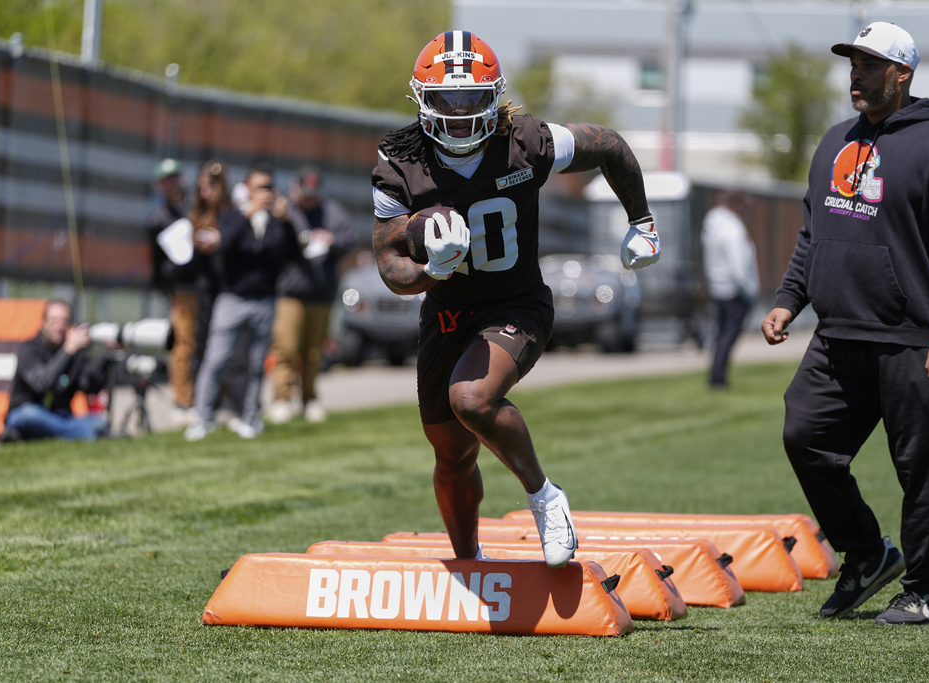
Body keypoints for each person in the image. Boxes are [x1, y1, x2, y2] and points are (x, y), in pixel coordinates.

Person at [371, 30, 660, 568]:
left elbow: (609, 144)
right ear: (421, 101)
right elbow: (390, 265)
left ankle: (544, 497)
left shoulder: (527, 141)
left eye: (472, 99)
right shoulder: (400, 159)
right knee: (451, 454)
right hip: (447, 311)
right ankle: (469, 563)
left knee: (471, 400)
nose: (458, 114)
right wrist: (431, 269)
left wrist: (641, 220)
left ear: (496, 96)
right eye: (444, 100)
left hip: (516, 304)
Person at [761, 22, 929, 625]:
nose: (855, 74)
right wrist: (789, 298)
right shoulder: (835, 140)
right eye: (852, 63)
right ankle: (865, 553)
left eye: (869, 64)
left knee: (924, 473)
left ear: (902, 75)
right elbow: (815, 233)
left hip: (913, 343)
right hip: (838, 338)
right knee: (804, 436)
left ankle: (924, 590)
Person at [185, 163, 301, 441]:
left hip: (265, 299)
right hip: (232, 298)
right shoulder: (233, 216)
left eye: (270, 187)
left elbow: (293, 256)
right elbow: (222, 247)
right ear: (247, 189)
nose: (266, 192)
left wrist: (287, 222)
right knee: (216, 360)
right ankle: (203, 417)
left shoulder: (277, 222)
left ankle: (250, 418)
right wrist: (249, 213)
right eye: (260, 187)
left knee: (256, 364)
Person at [268, 166, 357, 424]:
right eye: (304, 193)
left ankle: (309, 399)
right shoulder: (286, 211)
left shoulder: (332, 211)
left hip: (321, 292)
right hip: (290, 292)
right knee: (285, 347)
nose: (308, 198)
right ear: (294, 188)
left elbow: (348, 238)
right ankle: (281, 398)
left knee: (313, 352)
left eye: (312, 194)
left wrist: (331, 240)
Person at [3, 299, 113, 441]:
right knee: (30, 415)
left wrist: (108, 356)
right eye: (54, 321)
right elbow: (41, 383)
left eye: (64, 322)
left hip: (61, 416)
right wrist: (67, 350)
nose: (59, 327)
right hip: (28, 412)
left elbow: (90, 386)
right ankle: (77, 434)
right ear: (43, 324)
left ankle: (49, 435)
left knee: (100, 422)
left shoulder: (75, 353)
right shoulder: (29, 349)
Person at [145, 158, 199, 416]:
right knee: (183, 345)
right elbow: (157, 262)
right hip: (181, 290)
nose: (172, 184)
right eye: (166, 180)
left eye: (175, 177)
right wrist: (166, 289)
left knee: (210, 344)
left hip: (208, 286)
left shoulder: (197, 207)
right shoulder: (158, 219)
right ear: (159, 186)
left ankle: (210, 398)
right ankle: (182, 401)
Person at [701, 190, 759, 389]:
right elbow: (739, 264)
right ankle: (718, 378)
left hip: (718, 287)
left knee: (720, 334)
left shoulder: (711, 225)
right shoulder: (732, 228)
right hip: (734, 290)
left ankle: (716, 375)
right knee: (728, 335)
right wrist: (749, 289)